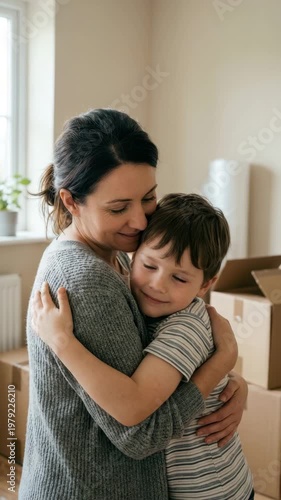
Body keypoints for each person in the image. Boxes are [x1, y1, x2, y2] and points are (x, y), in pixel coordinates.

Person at [20, 108, 247, 500]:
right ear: (71, 201)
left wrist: (229, 387)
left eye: (148, 198)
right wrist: (220, 363)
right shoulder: (87, 280)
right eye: (118, 207)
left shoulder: (121, 254)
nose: (141, 222)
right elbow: (141, 432)